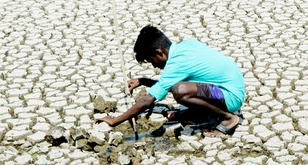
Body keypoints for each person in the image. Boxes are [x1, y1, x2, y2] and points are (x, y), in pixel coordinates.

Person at [95, 25, 246, 135]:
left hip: (230, 97)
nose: (154, 65)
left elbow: (147, 101)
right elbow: (167, 84)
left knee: (180, 91)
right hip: (227, 88)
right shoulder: (186, 45)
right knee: (180, 88)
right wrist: (144, 81)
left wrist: (115, 120)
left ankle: (228, 118)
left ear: (159, 53)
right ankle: (200, 113)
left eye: (151, 60)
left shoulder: (176, 64)